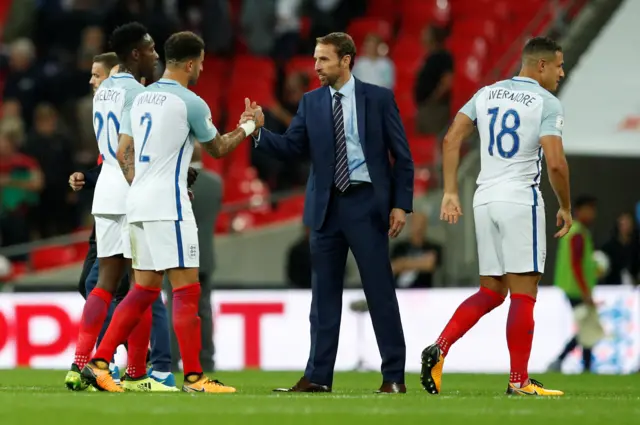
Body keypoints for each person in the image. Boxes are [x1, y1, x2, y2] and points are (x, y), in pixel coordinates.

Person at [81, 31, 254, 393]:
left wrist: (138, 186)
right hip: (169, 206)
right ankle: (194, 376)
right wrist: (250, 126)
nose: (203, 69)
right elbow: (219, 148)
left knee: (142, 290)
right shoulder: (191, 102)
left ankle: (99, 363)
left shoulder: (139, 100)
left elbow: (122, 151)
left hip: (137, 203)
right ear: (191, 63)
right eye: (202, 63)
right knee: (187, 290)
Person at [241, 32, 414, 393]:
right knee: (323, 297)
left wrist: (400, 204)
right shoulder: (311, 102)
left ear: (347, 60)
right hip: (326, 208)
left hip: (366, 204)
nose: (316, 66)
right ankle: (318, 377)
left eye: (323, 60)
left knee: (379, 291)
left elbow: (403, 155)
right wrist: (259, 132)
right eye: (316, 59)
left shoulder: (378, 99)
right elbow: (292, 147)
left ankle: (393, 377)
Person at [419, 36, 571, 396]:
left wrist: (451, 191)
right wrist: (565, 206)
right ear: (542, 66)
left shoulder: (487, 93)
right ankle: (519, 381)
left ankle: (439, 349)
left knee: (491, 290)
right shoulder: (547, 103)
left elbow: (451, 138)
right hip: (520, 200)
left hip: (483, 199)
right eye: (559, 66)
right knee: (524, 292)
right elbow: (555, 163)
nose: (562, 73)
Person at [66, 23, 175, 393]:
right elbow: (128, 152)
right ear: (134, 54)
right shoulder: (139, 95)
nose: (155, 55)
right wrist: (147, 190)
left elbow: (108, 149)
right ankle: (137, 373)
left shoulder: (103, 91)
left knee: (105, 284)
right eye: (150, 49)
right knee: (141, 285)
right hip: (130, 191)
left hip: (105, 192)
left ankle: (82, 363)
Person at [164, 142, 222, 372]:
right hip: (205, 256)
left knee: (175, 307)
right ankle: (207, 359)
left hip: (179, 253)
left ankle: (172, 359)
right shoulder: (215, 184)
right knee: (204, 309)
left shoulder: (174, 184)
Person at [548, 195, 599, 373]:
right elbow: (576, 264)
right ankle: (561, 360)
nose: (593, 214)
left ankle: (586, 366)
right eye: (589, 209)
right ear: (579, 210)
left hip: (573, 288)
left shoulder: (576, 231)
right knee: (586, 327)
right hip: (576, 289)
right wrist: (585, 291)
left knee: (586, 327)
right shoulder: (578, 233)